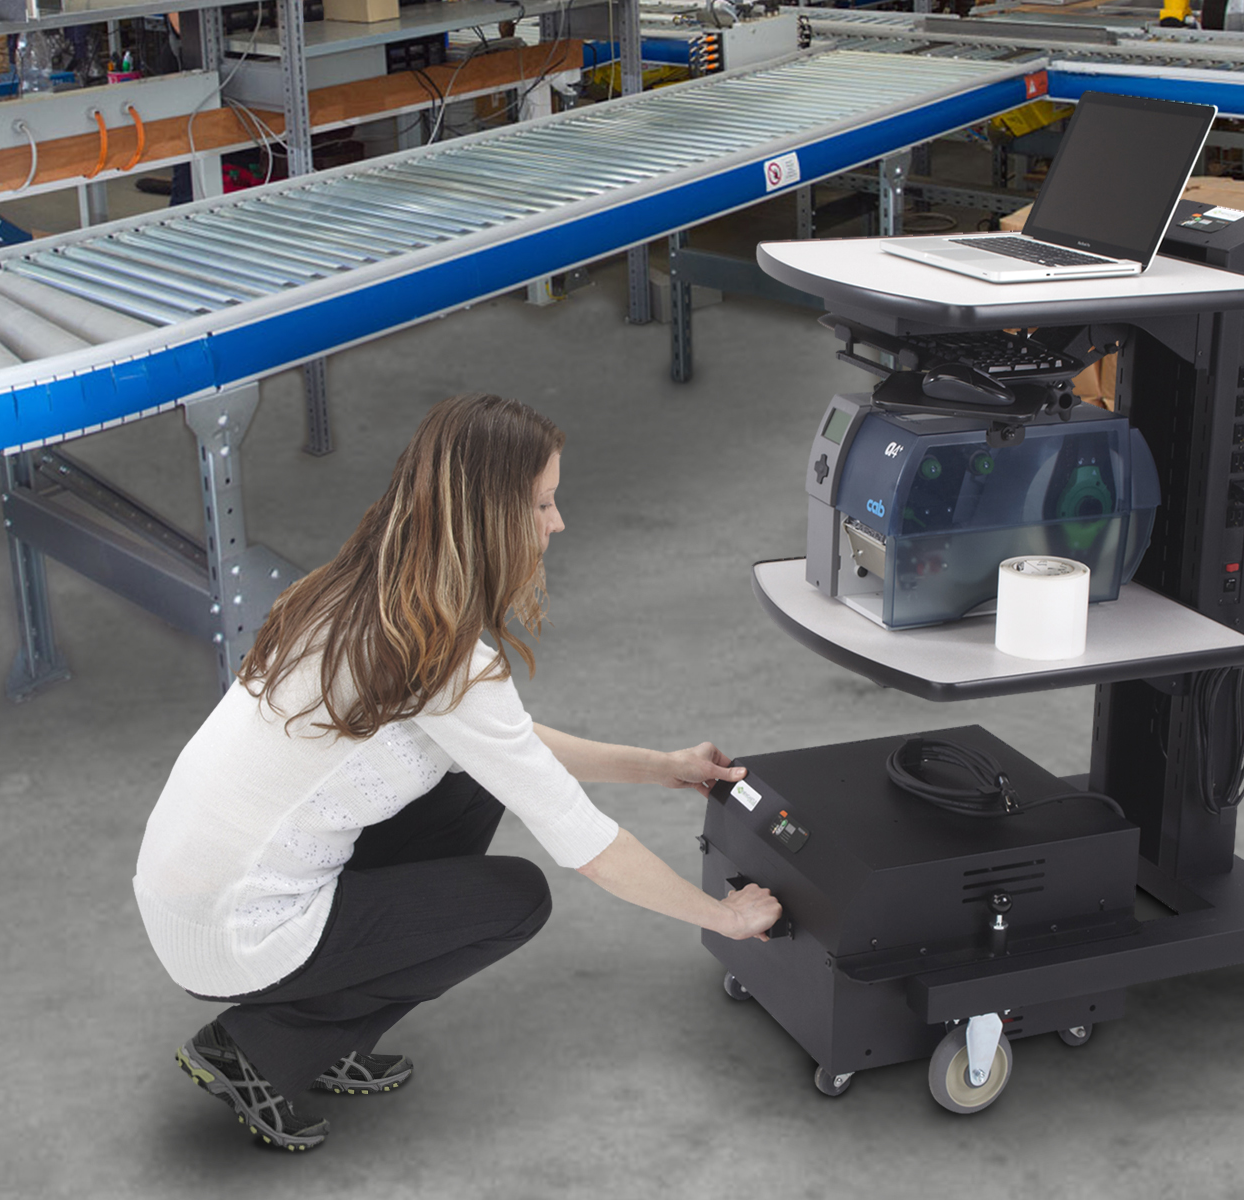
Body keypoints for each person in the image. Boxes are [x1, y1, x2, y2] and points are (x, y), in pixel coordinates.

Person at [134, 394, 782, 1152]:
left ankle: (293, 1026)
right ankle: (257, 1048)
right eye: (542, 502)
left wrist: (656, 767)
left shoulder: (358, 592)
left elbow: (502, 742)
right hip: (228, 933)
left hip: (187, 892)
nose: (557, 522)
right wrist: (728, 920)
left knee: (473, 780)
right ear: (490, 516)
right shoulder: (444, 660)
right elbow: (589, 849)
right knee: (516, 897)